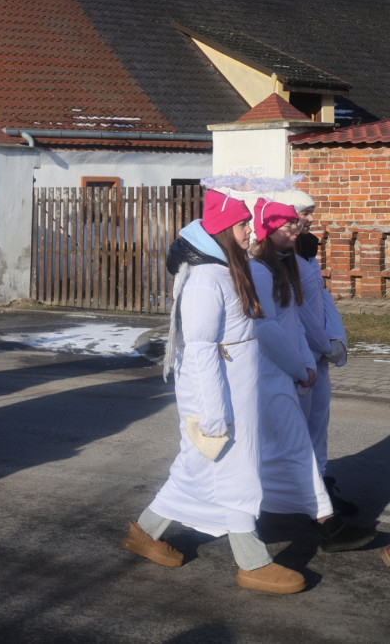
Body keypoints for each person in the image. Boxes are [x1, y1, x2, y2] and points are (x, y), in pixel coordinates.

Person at [121, 189, 305, 593]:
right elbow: (202, 350)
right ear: (223, 230)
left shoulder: (227, 270)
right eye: (242, 225)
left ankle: (144, 532)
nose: (249, 231)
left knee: (200, 471)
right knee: (233, 474)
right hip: (218, 398)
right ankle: (252, 563)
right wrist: (214, 413)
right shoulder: (205, 281)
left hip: (237, 394)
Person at [248, 195, 374, 552]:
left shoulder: (289, 262)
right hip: (277, 372)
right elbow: (268, 328)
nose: (300, 226)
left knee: (297, 443)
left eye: (300, 219)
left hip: (298, 366)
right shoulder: (260, 270)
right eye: (293, 220)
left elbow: (303, 314)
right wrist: (301, 364)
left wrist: (318, 350)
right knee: (291, 446)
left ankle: (315, 513)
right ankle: (318, 522)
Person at [271, 185, 356, 516]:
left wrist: (336, 338)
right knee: (300, 430)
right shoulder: (282, 258)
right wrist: (323, 344)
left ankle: (319, 487)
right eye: (304, 214)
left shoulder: (306, 251)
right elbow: (299, 310)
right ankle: (303, 498)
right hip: (300, 357)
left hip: (319, 356)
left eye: (310, 214)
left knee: (319, 425)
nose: (309, 220)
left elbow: (322, 296)